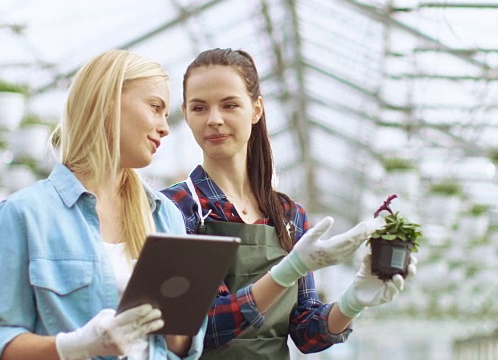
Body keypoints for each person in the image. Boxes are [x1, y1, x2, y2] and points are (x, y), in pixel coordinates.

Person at [160, 48, 417, 360]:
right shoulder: (176, 208)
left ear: (256, 110)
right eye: (200, 108)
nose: (214, 120)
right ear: (185, 113)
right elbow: (199, 329)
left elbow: (307, 335)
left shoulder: (287, 216)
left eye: (230, 105)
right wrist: (290, 268)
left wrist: (353, 301)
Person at [0, 49, 205, 360]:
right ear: (107, 102)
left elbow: (180, 348)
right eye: (155, 108)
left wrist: (181, 307)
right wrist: (77, 345)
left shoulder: (165, 216)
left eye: (166, 114)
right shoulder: (23, 215)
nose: (165, 126)